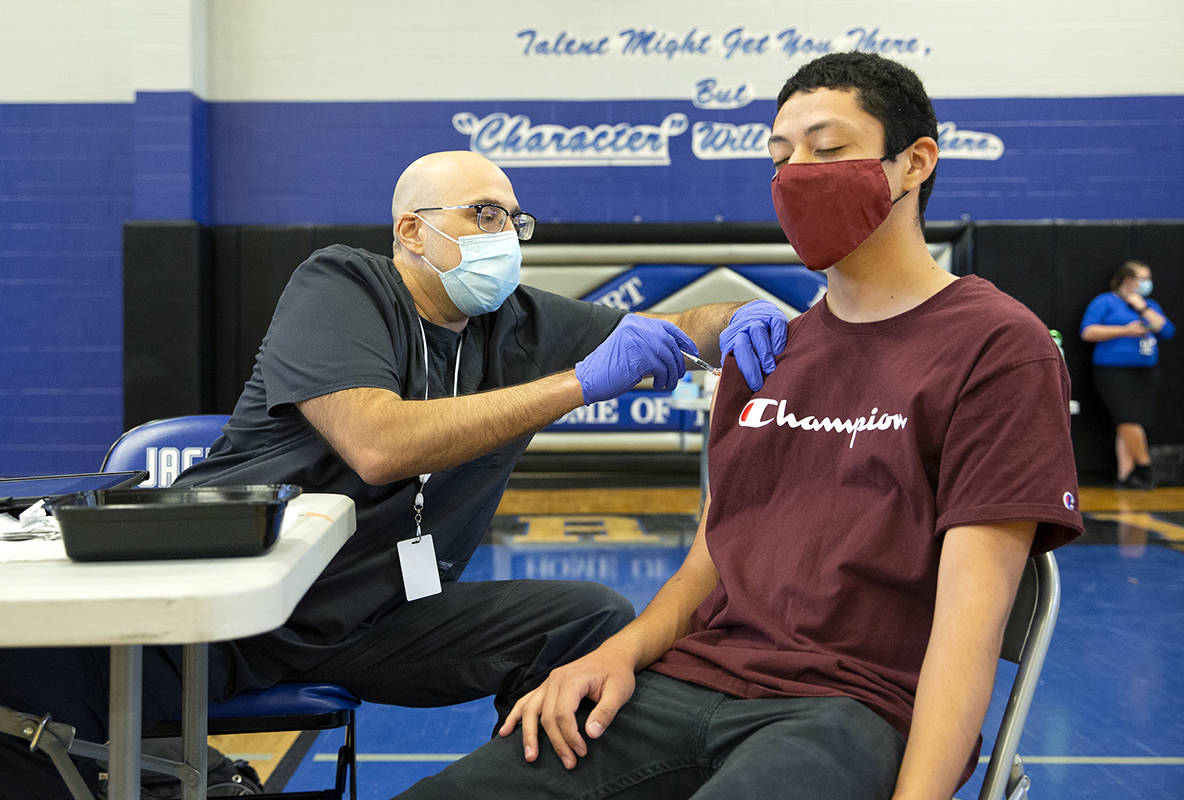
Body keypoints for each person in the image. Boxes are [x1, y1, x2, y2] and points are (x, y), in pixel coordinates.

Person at [0, 150, 789, 799]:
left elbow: (681, 326)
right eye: (483, 214)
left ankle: (539, 788)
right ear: (411, 231)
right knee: (21, 688)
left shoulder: (522, 323)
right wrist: (577, 384)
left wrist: (735, 320)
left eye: (515, 217)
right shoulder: (341, 285)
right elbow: (377, 443)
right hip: (234, 607)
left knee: (589, 620)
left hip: (378, 618)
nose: (505, 231)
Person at [393, 53, 1084, 800]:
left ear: (914, 162)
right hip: (684, 687)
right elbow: (707, 565)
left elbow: (967, 630)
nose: (797, 174)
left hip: (847, 710)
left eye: (828, 150)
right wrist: (615, 655)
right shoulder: (769, 351)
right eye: (780, 156)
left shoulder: (997, 348)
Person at [1080, 260, 1175, 489]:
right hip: (1113, 372)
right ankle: (1145, 469)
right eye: (1143, 278)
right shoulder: (1105, 302)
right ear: (1128, 280)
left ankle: (1126, 475)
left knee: (1129, 423)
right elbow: (1088, 331)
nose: (1147, 283)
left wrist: (1142, 308)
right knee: (1127, 419)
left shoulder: (1148, 304)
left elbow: (1167, 330)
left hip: (1144, 371)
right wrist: (1125, 330)